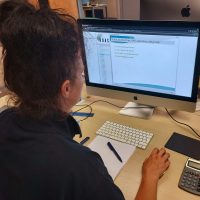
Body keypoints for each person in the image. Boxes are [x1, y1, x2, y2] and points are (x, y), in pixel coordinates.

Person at [0, 1, 170, 200]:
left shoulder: (5, 120)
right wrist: (150, 175)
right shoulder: (80, 167)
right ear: (66, 88)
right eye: (81, 73)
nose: (84, 77)